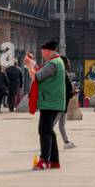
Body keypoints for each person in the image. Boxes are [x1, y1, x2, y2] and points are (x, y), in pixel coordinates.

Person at [24, 41, 67, 170]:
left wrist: (28, 66)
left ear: (49, 51)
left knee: (44, 131)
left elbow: (36, 77)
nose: (43, 55)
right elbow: (41, 71)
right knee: (49, 130)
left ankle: (44, 160)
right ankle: (54, 161)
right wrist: (33, 64)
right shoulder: (55, 62)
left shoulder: (53, 63)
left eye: (43, 53)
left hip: (50, 102)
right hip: (52, 101)